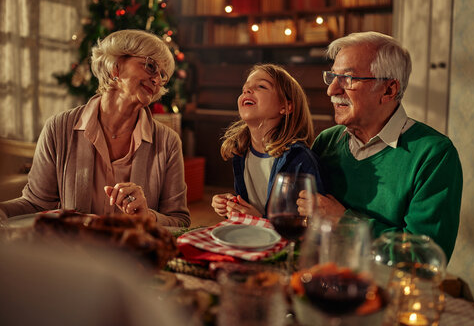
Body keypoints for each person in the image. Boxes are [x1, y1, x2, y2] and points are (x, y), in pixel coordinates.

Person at [0, 29, 190, 227]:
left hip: (135, 256)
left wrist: (149, 217)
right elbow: (35, 204)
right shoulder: (58, 129)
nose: (157, 80)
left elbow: (180, 222)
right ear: (115, 67)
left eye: (163, 76)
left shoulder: (168, 142)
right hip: (74, 254)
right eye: (151, 66)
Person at [305, 32, 462, 260]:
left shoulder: (434, 155)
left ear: (388, 90)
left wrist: (345, 222)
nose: (332, 91)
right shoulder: (326, 141)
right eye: (331, 77)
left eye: (347, 79)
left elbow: (424, 257)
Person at [211, 64, 324, 218]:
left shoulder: (301, 160)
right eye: (245, 88)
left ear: (285, 106)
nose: (246, 90)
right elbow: (252, 208)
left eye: (261, 86)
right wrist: (232, 205)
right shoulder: (241, 151)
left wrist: (259, 221)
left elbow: (313, 225)